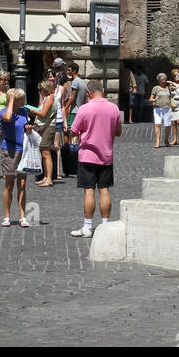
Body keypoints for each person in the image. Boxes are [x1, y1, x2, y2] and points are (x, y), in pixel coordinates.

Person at [69, 79, 122, 238]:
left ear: (88, 93)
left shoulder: (84, 109)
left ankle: (87, 227)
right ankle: (105, 226)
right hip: (106, 156)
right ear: (103, 90)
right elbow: (118, 132)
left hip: (87, 156)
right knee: (104, 190)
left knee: (89, 191)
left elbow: (73, 131)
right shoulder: (114, 108)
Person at [0, 89, 33, 227]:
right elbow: (7, 118)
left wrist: (29, 128)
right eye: (21, 99)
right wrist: (11, 100)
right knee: (9, 184)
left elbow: (25, 127)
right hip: (10, 151)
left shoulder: (24, 112)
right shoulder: (3, 111)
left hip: (23, 150)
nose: (23, 101)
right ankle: (7, 216)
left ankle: (22, 216)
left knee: (22, 184)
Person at [32, 79, 57, 186]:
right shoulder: (47, 98)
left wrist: (32, 111)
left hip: (48, 128)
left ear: (45, 89)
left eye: (41, 89)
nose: (40, 91)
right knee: (44, 152)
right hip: (45, 127)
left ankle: (49, 179)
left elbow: (43, 113)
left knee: (46, 153)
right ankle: (46, 176)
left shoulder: (50, 98)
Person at [150, 72, 173, 148]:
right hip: (157, 108)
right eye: (161, 80)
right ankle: (157, 141)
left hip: (167, 108)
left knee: (167, 125)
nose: (163, 81)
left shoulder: (169, 87)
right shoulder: (155, 88)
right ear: (159, 80)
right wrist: (154, 100)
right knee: (158, 124)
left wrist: (170, 82)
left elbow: (178, 86)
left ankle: (166, 140)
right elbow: (151, 98)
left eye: (164, 79)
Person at [63, 61, 87, 135]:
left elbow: (72, 97)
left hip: (74, 111)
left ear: (74, 71)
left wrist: (65, 108)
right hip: (80, 110)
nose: (67, 72)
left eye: (69, 70)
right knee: (79, 131)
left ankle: (70, 146)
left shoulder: (75, 82)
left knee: (69, 131)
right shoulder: (82, 81)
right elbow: (85, 97)